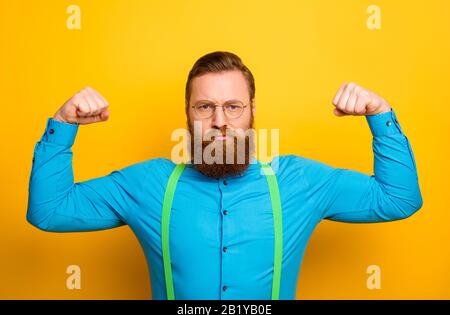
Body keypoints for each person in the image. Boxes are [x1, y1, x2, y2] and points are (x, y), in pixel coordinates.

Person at [27, 51, 423, 300]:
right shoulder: (147, 185)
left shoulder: (298, 182)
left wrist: (380, 115)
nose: (219, 122)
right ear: (188, 113)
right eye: (205, 107)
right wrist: (62, 125)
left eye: (233, 107)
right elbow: (50, 211)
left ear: (252, 110)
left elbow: (398, 199)